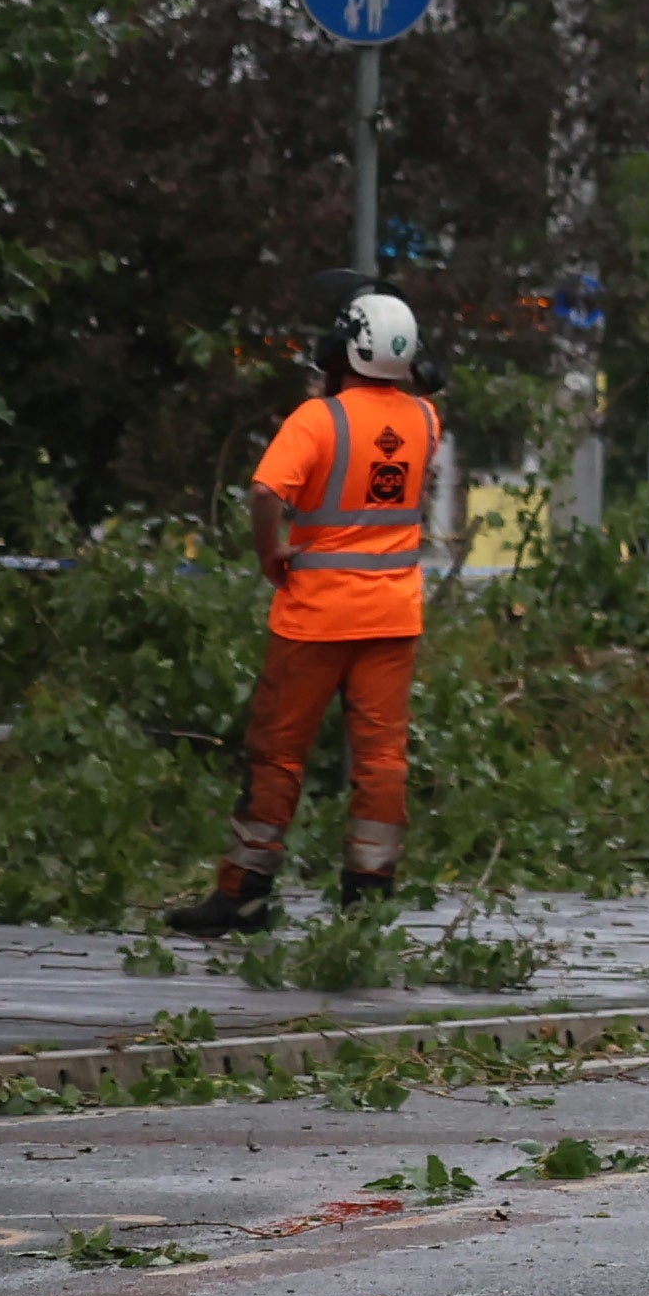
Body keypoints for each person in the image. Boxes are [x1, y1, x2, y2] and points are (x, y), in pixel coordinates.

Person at [165, 289, 441, 937]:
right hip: (392, 618)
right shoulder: (427, 421)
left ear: (343, 349)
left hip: (315, 617)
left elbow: (266, 490)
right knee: (381, 760)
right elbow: (419, 398)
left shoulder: (318, 420)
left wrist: (272, 553)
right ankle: (367, 900)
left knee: (278, 755)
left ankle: (244, 897)